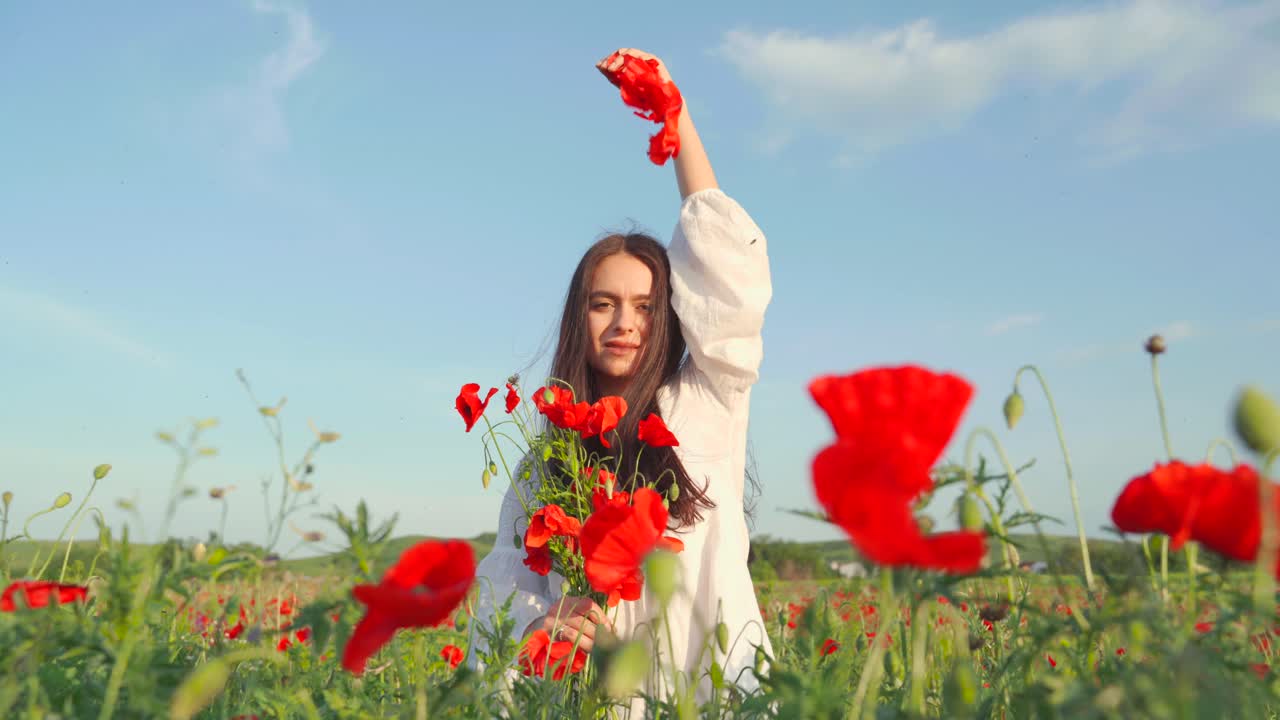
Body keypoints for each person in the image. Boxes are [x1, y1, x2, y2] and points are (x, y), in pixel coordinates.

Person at [468, 47, 774, 706]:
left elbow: (729, 281)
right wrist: (546, 624)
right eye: (603, 303)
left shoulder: (706, 402)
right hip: (598, 700)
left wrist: (677, 118)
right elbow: (503, 592)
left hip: (712, 693)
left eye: (644, 306)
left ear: (668, 316)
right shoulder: (545, 463)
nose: (624, 323)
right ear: (580, 317)